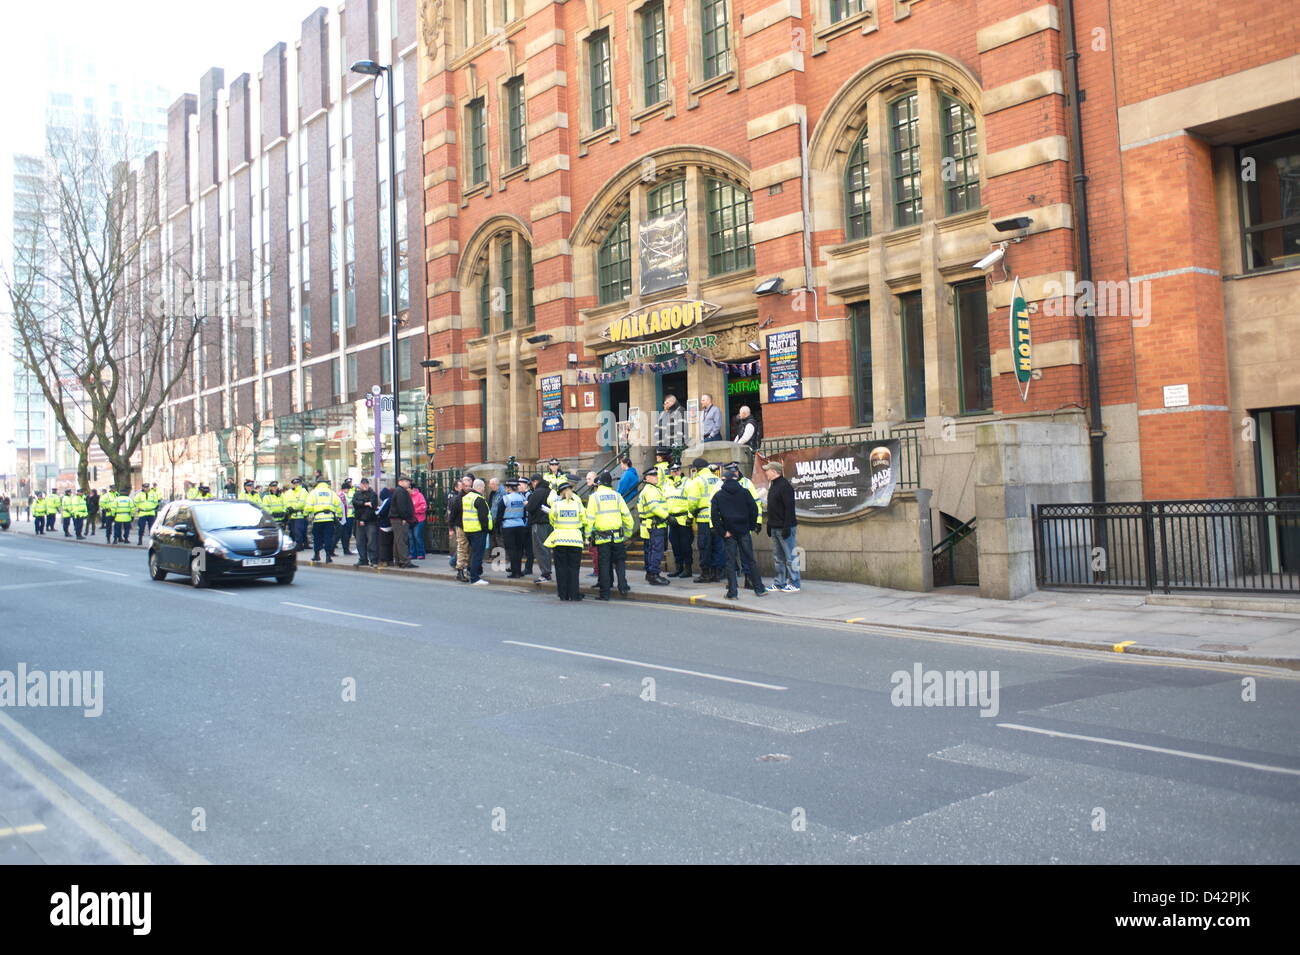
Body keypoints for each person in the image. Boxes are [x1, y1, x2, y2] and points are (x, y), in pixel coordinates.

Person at [713, 465, 767, 599]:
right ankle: (759, 589)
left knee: (730, 563)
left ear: (724, 481)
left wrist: (723, 531)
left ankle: (732, 592)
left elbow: (714, 516)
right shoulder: (745, 492)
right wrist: (750, 526)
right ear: (736, 479)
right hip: (744, 531)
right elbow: (754, 509)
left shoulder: (718, 495)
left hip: (729, 533)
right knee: (750, 560)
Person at [586, 471, 633, 600]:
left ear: (600, 483)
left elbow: (589, 519)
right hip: (617, 537)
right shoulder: (617, 496)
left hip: (602, 538)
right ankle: (623, 587)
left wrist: (587, 535)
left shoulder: (594, 497)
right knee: (620, 562)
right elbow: (628, 517)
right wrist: (628, 533)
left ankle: (605, 593)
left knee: (604, 564)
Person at [545, 481, 588, 602]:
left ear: (561, 494)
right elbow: (585, 521)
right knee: (574, 569)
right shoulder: (578, 505)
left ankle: (563, 594)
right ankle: (574, 594)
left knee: (561, 568)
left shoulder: (556, 505)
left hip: (560, 540)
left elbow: (552, 520)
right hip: (575, 540)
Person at [763, 460, 800, 592]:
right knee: (778, 557)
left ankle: (795, 583)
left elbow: (789, 508)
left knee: (790, 556)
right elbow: (773, 508)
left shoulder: (785, 486)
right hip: (775, 526)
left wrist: (787, 526)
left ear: (774, 471)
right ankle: (780, 583)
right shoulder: (773, 486)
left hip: (785, 526)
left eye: (767, 470)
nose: (765, 472)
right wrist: (769, 524)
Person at [686, 458, 723, 582]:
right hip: (717, 519)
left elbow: (692, 501)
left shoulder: (697, 481)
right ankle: (717, 573)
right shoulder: (717, 479)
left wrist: (691, 513)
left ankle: (706, 574)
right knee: (718, 546)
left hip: (703, 519)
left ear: (696, 469)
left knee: (705, 546)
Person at [637, 468, 671, 585]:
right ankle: (654, 575)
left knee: (652, 550)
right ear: (646, 478)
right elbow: (654, 507)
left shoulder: (652, 489)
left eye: (656, 474)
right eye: (653, 475)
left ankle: (651, 573)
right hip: (656, 524)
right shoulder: (650, 490)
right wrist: (668, 516)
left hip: (654, 523)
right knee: (657, 550)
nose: (656, 476)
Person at [664, 462, 693, 578]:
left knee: (685, 545)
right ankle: (678, 568)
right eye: (673, 470)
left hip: (684, 519)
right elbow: (664, 501)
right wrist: (667, 516)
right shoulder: (667, 484)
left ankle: (688, 568)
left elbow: (692, 501)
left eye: (677, 470)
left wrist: (690, 517)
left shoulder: (687, 483)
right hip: (671, 519)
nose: (675, 472)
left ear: (680, 470)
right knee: (675, 545)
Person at [498, 478, 529, 578]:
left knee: (511, 550)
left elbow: (499, 514)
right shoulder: (522, 498)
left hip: (508, 526)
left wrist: (497, 527)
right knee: (519, 549)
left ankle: (514, 572)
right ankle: (519, 572)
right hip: (520, 525)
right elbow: (524, 513)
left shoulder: (505, 498)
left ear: (508, 488)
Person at [460, 478, 490, 584]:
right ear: (480, 487)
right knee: (478, 554)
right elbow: (483, 517)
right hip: (478, 530)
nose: (484, 490)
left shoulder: (466, 498)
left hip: (468, 529)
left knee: (473, 553)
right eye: (483, 488)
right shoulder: (479, 499)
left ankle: (472, 572)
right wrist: (486, 529)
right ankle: (475, 577)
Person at [525, 473, 553, 584]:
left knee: (540, 549)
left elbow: (530, 508)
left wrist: (527, 504)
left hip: (539, 523)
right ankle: (548, 572)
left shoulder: (537, 492)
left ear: (535, 481)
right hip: (550, 523)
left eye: (532, 483)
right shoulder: (550, 491)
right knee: (547, 549)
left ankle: (545, 574)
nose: (532, 485)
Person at [307, 476, 343, 563]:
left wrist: (306, 514)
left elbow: (308, 506)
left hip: (318, 519)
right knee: (328, 538)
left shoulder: (313, 493)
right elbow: (338, 504)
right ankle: (328, 556)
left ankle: (317, 555)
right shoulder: (331, 492)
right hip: (329, 519)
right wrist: (340, 515)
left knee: (317, 538)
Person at [389, 475, 416, 569]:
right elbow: (402, 507)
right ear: (401, 482)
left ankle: (398, 560)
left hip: (397, 519)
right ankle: (404, 561)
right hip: (400, 519)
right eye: (407, 481)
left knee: (398, 540)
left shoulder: (400, 491)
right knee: (402, 540)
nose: (409, 483)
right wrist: (404, 518)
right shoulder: (401, 492)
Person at [351, 478, 379, 567]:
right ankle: (363, 559)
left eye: (366, 484)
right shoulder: (357, 493)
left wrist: (363, 518)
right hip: (359, 520)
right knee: (360, 541)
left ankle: (373, 560)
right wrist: (364, 503)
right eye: (363, 484)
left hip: (370, 521)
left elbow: (371, 508)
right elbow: (354, 503)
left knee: (371, 541)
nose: (365, 486)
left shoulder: (372, 494)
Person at [285, 477, 309, 550]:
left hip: (299, 515)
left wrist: (293, 508)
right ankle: (294, 545)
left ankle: (299, 545)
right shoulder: (289, 492)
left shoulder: (303, 491)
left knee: (298, 531)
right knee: (292, 531)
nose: (296, 485)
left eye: (297, 483)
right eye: (294, 483)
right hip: (291, 516)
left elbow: (302, 502)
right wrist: (289, 507)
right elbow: (285, 501)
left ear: (300, 483)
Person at [446, 477, 464, 573]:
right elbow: (451, 513)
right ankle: (453, 561)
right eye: (461, 486)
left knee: (460, 545)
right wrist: (451, 528)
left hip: (458, 523)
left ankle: (455, 561)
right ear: (456, 488)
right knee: (460, 545)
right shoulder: (453, 498)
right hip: (456, 524)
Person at [408, 481, 427, 560]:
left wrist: (414, 511)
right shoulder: (407, 496)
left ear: (411, 488)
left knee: (417, 536)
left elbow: (424, 506)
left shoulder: (419, 495)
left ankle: (421, 553)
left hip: (419, 519)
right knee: (410, 537)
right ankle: (413, 553)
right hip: (410, 519)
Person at [336, 479, 354, 557]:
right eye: (348, 489)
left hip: (346, 517)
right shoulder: (341, 495)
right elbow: (343, 506)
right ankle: (344, 549)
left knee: (345, 535)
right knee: (342, 535)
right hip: (343, 518)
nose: (348, 490)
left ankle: (346, 549)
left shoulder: (341, 494)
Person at [376, 487, 394, 565]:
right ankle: (390, 559)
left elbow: (380, 512)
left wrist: (376, 510)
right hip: (391, 524)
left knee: (383, 544)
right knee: (390, 543)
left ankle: (383, 560)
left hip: (384, 524)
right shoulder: (393, 499)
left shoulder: (387, 500)